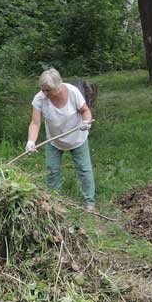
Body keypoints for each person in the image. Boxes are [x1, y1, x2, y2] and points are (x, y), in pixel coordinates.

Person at [25, 68, 96, 211]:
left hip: (77, 138)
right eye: (43, 89)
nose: (45, 93)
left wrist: (86, 123)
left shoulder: (73, 92)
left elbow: (85, 111)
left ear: (58, 86)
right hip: (54, 140)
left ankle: (89, 202)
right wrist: (31, 141)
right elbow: (35, 123)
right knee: (52, 170)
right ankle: (55, 202)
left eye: (48, 90)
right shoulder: (39, 99)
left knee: (84, 169)